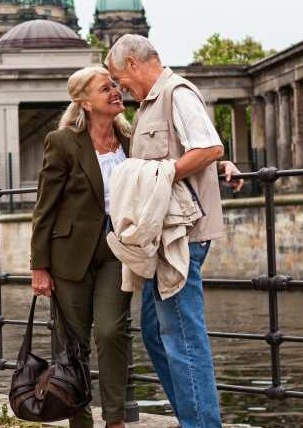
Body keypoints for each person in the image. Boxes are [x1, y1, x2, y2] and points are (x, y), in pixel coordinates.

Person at [105, 34, 243, 428]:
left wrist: (161, 175)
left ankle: (201, 424)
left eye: (121, 78)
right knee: (155, 331)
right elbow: (195, 151)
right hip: (162, 238)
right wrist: (215, 166)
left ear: (133, 62)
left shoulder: (176, 92)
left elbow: (208, 146)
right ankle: (192, 416)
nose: (123, 88)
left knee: (182, 336)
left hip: (182, 236)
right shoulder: (150, 104)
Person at [30, 66, 134, 428]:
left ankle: (116, 419)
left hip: (117, 250)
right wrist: (39, 266)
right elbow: (45, 207)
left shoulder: (130, 140)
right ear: (85, 102)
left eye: (115, 86)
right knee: (73, 343)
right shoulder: (63, 142)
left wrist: (219, 165)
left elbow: (169, 166)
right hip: (69, 255)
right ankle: (80, 420)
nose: (115, 92)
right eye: (106, 88)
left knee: (110, 330)